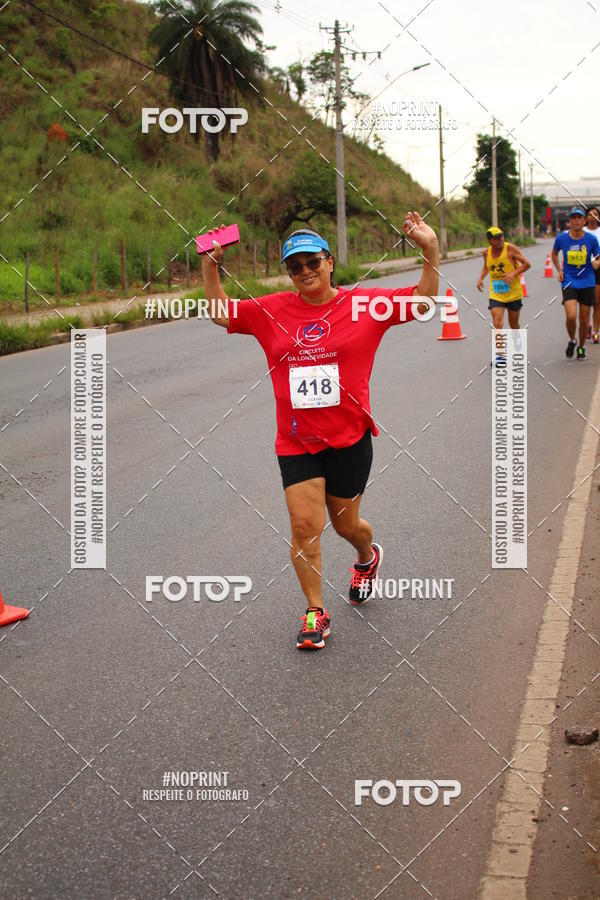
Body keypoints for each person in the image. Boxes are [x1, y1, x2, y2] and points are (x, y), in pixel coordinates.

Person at [201, 213, 439, 650]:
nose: (305, 272)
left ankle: (367, 558)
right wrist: (211, 267)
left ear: (330, 262)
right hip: (296, 442)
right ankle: (315, 611)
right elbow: (220, 313)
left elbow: (423, 301)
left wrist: (430, 249)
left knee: (347, 527)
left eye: (312, 262)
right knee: (304, 526)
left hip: (350, 440)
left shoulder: (365, 306)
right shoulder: (271, 309)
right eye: (296, 267)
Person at [476, 226, 531, 364]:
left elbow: (527, 264)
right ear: (490, 240)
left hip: (514, 293)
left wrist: (513, 274)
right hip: (497, 293)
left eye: (501, 236)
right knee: (497, 322)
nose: (500, 239)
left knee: (513, 325)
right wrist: (481, 278)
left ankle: (516, 337)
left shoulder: (510, 249)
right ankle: (500, 356)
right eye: (496, 237)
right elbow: (486, 266)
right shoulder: (486, 253)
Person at [552, 206, 600, 359]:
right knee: (571, 316)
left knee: (584, 318)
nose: (577, 220)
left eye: (579, 218)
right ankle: (572, 340)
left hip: (587, 281)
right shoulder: (562, 238)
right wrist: (559, 269)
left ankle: (581, 346)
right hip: (569, 281)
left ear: (583, 221)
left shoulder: (591, 239)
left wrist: (596, 263)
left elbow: (597, 257)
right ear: (570, 221)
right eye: (574, 218)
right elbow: (554, 253)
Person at [584, 206, 600, 343]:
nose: (593, 216)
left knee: (597, 302)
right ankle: (587, 325)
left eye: (595, 214)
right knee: (585, 303)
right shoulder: (581, 232)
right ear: (585, 218)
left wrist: (597, 262)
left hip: (598, 269)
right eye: (590, 214)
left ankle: (595, 331)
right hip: (582, 269)